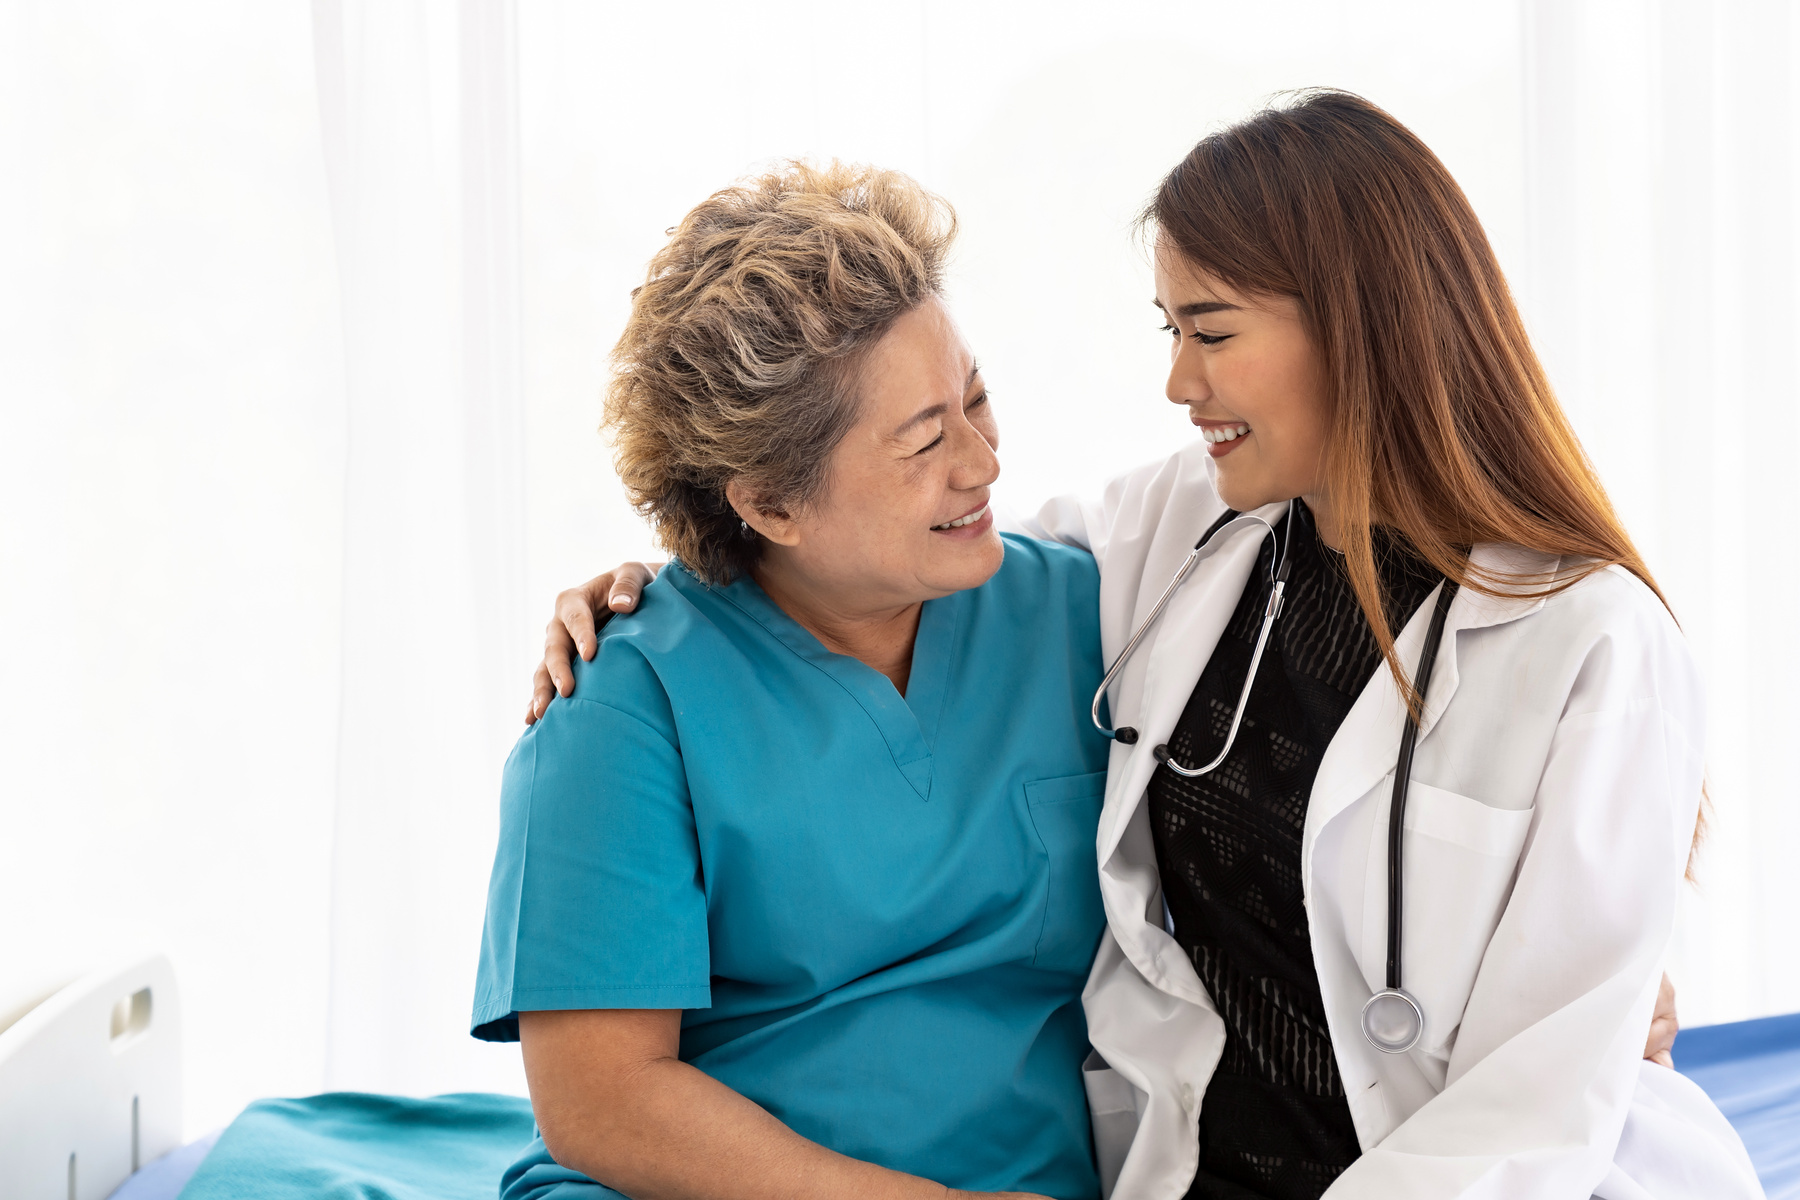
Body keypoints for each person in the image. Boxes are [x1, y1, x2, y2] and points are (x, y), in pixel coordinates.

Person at [528, 94, 1756, 1199]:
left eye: (1208, 331)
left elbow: (1528, 1097)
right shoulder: (1175, 543)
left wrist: (1594, 982)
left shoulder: (1587, 643)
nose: (1175, 381)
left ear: (1362, 328)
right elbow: (597, 1096)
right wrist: (663, 583)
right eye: (1170, 328)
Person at [473, 161, 1110, 1200]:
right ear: (771, 503)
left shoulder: (1085, 618)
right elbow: (601, 1101)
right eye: (923, 440)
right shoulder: (623, 705)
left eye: (976, 398)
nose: (983, 461)